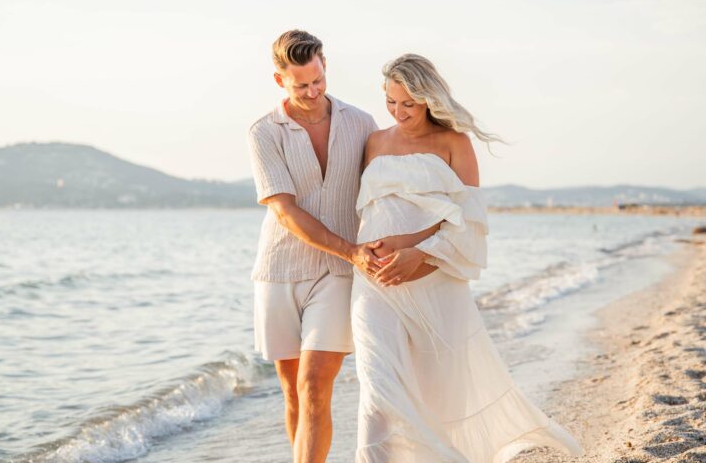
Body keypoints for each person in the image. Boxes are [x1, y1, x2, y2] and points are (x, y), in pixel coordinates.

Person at [351, 53, 584, 462]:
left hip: (434, 280)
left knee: (440, 394)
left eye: (409, 103)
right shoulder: (374, 142)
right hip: (374, 284)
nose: (399, 112)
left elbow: (470, 221)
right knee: (377, 386)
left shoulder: (454, 143)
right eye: (391, 101)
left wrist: (416, 252)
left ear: (429, 98)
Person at [247, 29, 381, 463]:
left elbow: (385, 189)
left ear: (325, 66)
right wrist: (353, 250)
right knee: (292, 393)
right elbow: (284, 211)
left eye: (318, 80)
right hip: (280, 269)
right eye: (300, 84)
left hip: (339, 273)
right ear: (278, 80)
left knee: (314, 386)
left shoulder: (361, 123)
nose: (312, 91)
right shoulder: (264, 132)